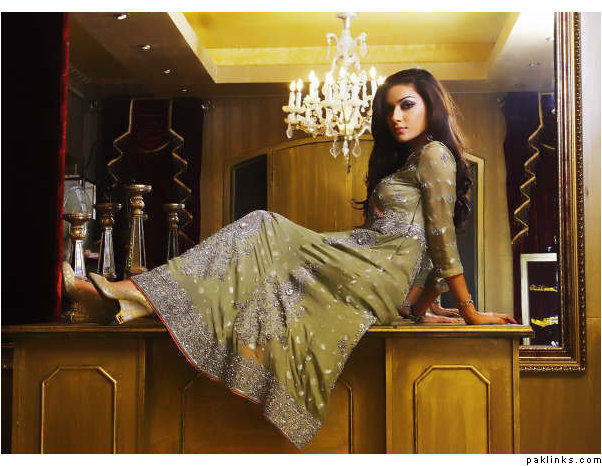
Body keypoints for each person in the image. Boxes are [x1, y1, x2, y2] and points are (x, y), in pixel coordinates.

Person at [62, 68, 516, 450]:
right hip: (371, 267)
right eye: (389, 108)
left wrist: (468, 311)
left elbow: (440, 240)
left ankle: (126, 294)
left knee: (261, 227)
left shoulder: (435, 154)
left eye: (408, 105)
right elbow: (429, 249)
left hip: (372, 269)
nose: (396, 117)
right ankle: (130, 299)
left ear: (431, 106)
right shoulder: (411, 160)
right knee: (260, 261)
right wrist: (416, 309)